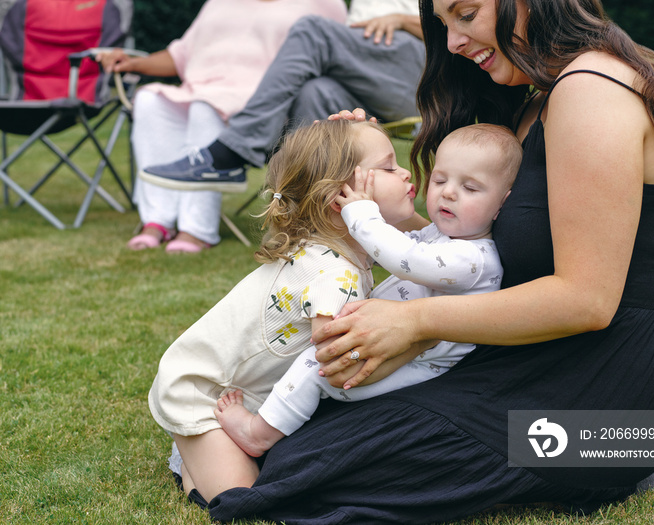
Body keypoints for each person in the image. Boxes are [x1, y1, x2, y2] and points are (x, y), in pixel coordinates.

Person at [194, 1, 654, 524]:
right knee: (302, 424)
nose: (453, 42)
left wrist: (413, 321)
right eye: (443, 24)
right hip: (539, 361)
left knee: (304, 463)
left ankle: (605, 464)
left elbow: (587, 299)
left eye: (466, 13)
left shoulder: (593, 89)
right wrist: (356, 160)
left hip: (608, 400)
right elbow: (463, 249)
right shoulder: (539, 102)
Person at [148, 119, 420, 503]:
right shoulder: (333, 274)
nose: (405, 171)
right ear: (337, 200)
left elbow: (420, 251)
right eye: (389, 167)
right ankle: (190, 451)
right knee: (240, 496)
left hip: (241, 388)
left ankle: (200, 452)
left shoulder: (339, 246)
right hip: (201, 391)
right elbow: (336, 361)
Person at [212, 123, 522, 457]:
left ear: (502, 205)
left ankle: (258, 434)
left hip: (416, 366)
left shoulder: (475, 259)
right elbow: (404, 244)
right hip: (402, 350)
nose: (448, 193)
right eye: (440, 179)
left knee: (315, 367)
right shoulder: (444, 238)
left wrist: (361, 213)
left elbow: (405, 257)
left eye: (471, 188)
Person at [96, 0, 347, 252]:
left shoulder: (323, 3)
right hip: (199, 88)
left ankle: (196, 228)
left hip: (259, 107)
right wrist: (133, 63)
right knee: (150, 101)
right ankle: (157, 220)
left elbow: (340, 56)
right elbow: (181, 54)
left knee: (205, 108)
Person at [136, 0, 424, 192]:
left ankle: (234, 150)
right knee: (315, 91)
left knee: (312, 30)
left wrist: (401, 19)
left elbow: (463, 17)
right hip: (368, 71)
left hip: (421, 74)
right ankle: (303, 210)